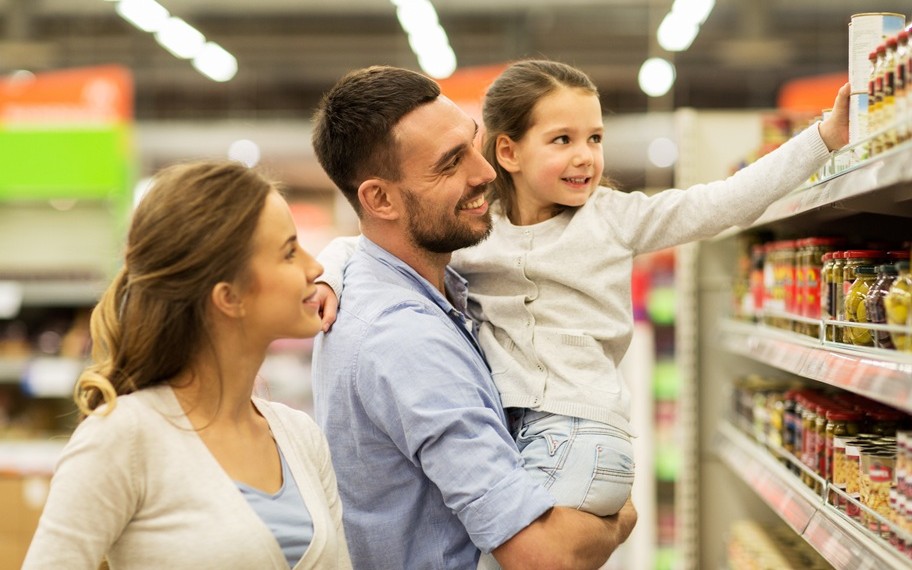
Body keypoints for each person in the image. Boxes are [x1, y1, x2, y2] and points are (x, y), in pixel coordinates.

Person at [315, 58, 849, 549]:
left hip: (580, 432)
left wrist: (823, 138)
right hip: (524, 431)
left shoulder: (613, 219)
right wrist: (329, 276)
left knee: (525, 552)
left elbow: (721, 203)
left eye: (595, 138)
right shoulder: (479, 231)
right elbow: (364, 244)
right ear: (509, 153)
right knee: (522, 547)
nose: (584, 156)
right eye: (562, 139)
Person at [310, 65, 638, 570]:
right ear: (380, 199)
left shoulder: (414, 288)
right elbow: (542, 556)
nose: (485, 171)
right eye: (450, 163)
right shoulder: (405, 338)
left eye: (471, 143)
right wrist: (620, 517)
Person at [23, 161, 352, 569]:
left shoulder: (300, 436)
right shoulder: (122, 437)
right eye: (289, 252)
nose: (315, 267)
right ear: (228, 297)